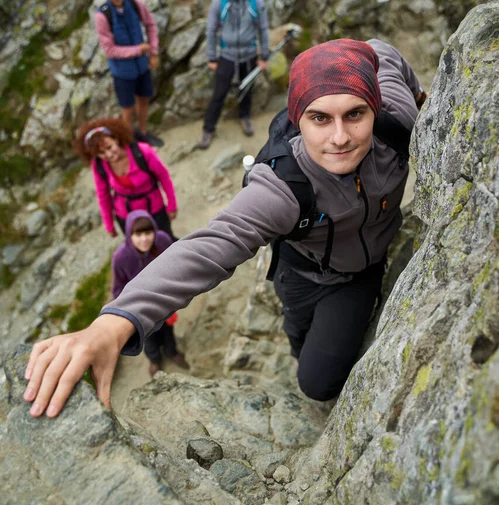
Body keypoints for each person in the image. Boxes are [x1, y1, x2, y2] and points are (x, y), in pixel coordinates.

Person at [25, 38, 426, 418]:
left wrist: (420, 93)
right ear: (297, 119)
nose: (339, 137)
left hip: (359, 276)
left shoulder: (397, 120)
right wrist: (114, 323)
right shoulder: (284, 187)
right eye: (319, 118)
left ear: (375, 107)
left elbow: (383, 53)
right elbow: (211, 246)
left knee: (317, 382)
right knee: (299, 337)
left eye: (355, 114)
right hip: (301, 274)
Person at [73, 117, 178, 240]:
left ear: (116, 139)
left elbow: (163, 177)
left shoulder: (143, 152)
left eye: (109, 147)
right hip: (126, 216)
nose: (109, 155)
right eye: (101, 153)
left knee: (165, 242)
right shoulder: (98, 166)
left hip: (155, 210)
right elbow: (103, 195)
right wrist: (109, 224)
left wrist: (172, 205)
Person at [112, 210, 189, 375]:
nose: (144, 239)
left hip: (164, 301)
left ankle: (171, 351)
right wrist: (131, 311)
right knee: (148, 337)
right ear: (128, 235)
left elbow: (175, 268)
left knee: (168, 331)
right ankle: (154, 360)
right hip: (139, 309)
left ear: (154, 230)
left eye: (148, 232)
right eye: (137, 234)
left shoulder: (163, 240)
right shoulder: (120, 258)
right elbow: (118, 289)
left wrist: (173, 297)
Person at [198, 0, 270, 149]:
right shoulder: (219, 4)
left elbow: (263, 29)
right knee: (219, 93)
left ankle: (245, 117)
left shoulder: (256, 4)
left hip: (249, 55)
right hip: (227, 55)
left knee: (247, 90)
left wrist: (264, 55)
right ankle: (208, 128)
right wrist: (212, 57)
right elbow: (211, 30)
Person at [95, 0, 164, 147]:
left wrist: (153, 53)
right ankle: (130, 142)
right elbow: (110, 50)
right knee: (127, 108)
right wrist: (138, 50)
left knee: (144, 99)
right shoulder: (102, 15)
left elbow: (150, 25)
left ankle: (143, 135)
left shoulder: (136, 4)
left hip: (142, 66)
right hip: (122, 71)